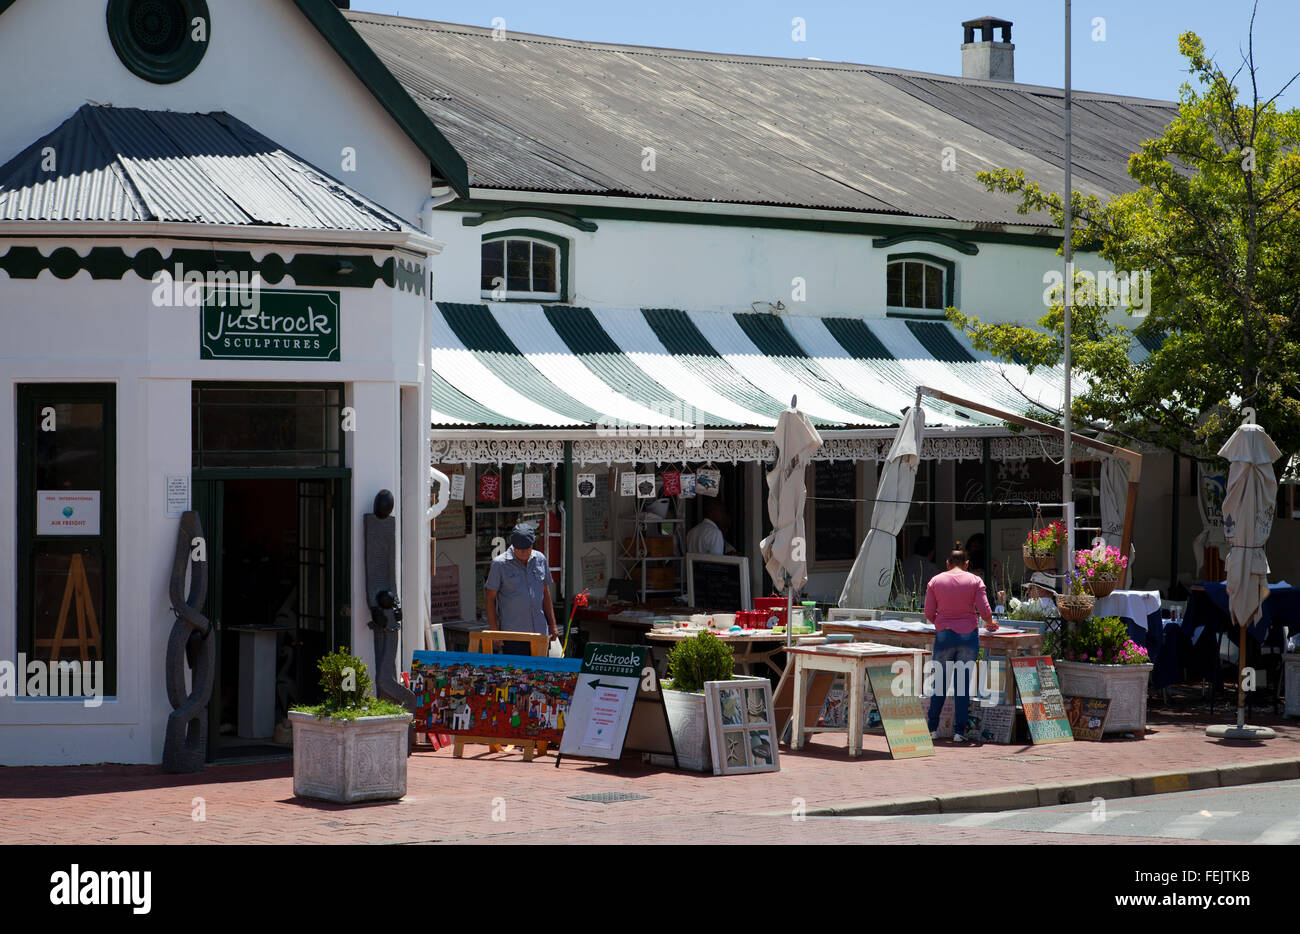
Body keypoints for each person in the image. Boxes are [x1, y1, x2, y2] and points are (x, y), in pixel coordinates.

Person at [924, 542, 997, 743]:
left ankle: (932, 729)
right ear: (966, 563)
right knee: (962, 685)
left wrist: (941, 623)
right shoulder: (975, 581)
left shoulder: (935, 581)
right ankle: (959, 732)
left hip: (944, 634)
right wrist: (991, 623)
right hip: (968, 636)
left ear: (948, 563)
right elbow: (985, 611)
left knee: (939, 682)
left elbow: (929, 612)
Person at [484, 524, 559, 654]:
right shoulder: (499, 564)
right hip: (513, 635)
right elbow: (490, 599)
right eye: (519, 548)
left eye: (527, 548)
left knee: (541, 672)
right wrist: (494, 630)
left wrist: (552, 624)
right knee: (516, 672)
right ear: (513, 545)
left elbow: (545, 594)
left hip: (539, 632)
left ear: (532, 545)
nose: (523, 552)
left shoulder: (540, 559)